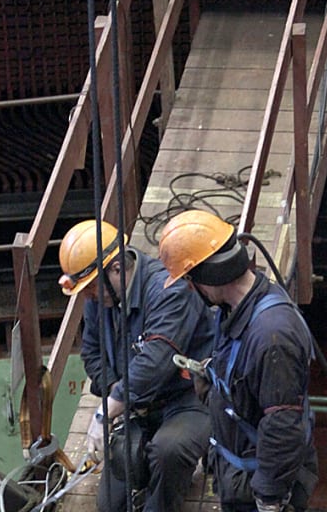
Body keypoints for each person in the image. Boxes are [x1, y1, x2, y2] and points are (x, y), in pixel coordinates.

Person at [157, 210, 318, 512]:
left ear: (209, 275)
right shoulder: (234, 309)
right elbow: (247, 382)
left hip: (262, 485)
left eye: (190, 280)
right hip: (240, 475)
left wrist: (269, 500)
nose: (190, 288)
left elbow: (282, 424)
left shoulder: (272, 335)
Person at [58, 219, 213, 512]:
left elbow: (156, 361)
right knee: (110, 504)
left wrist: (107, 411)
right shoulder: (100, 298)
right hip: (137, 406)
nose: (88, 296)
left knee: (169, 451)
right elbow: (92, 353)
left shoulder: (169, 291)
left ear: (117, 268)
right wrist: (115, 389)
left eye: (91, 288)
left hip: (188, 398)